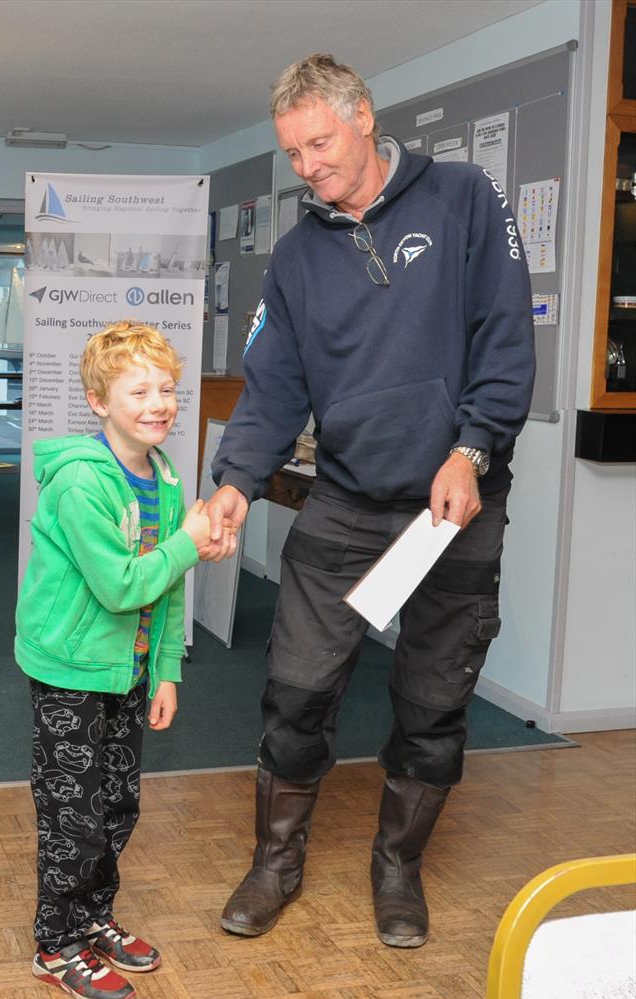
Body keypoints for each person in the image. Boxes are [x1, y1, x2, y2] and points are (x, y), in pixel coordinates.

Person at [206, 54, 535, 949]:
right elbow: (272, 387)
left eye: (319, 142)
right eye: (293, 152)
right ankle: (276, 862)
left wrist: (471, 447)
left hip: (454, 504)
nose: (308, 165)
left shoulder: (463, 197)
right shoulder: (298, 256)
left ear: (363, 117)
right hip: (348, 503)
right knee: (296, 686)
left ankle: (399, 866)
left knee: (434, 697)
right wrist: (236, 481)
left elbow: (505, 336)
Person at [15, 320, 212, 999]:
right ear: (99, 401)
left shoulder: (162, 476)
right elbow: (121, 586)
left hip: (126, 673)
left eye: (166, 388)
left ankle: (92, 918)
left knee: (117, 806)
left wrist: (165, 671)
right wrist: (189, 542)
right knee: (72, 814)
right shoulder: (79, 482)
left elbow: (166, 589)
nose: (158, 402)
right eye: (139, 390)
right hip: (70, 670)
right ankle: (56, 945)